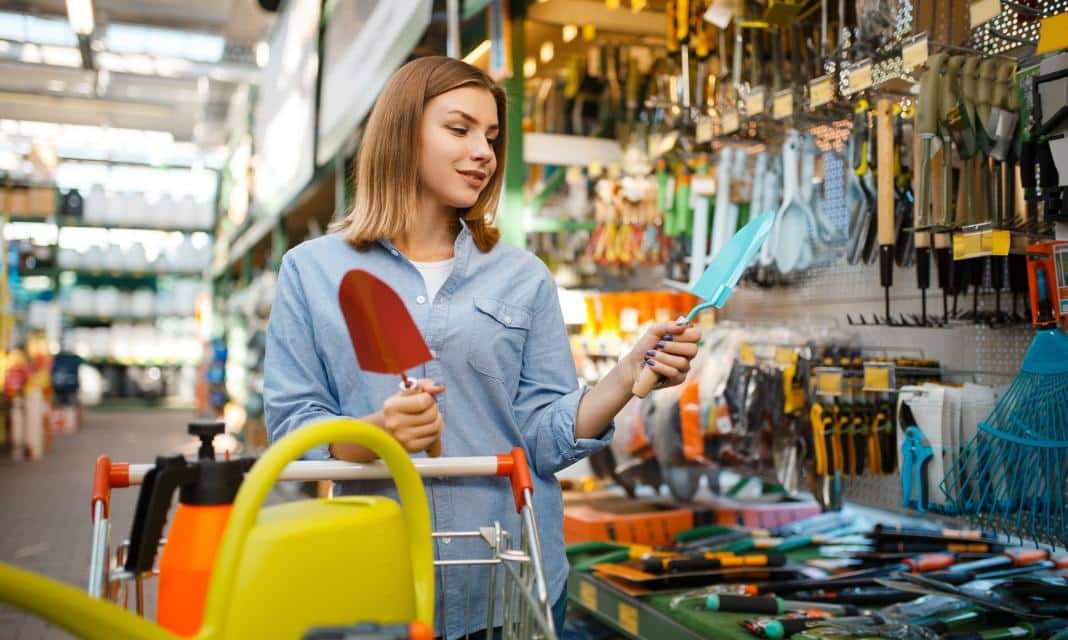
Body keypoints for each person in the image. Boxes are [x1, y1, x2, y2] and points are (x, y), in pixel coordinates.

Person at [264, 55, 701, 639]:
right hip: (379, 582)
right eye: (459, 128)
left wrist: (625, 375)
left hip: (511, 580)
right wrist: (377, 433)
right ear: (401, 131)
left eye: (491, 137)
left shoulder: (522, 276)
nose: (485, 154)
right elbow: (293, 433)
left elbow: (542, 439)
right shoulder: (312, 271)